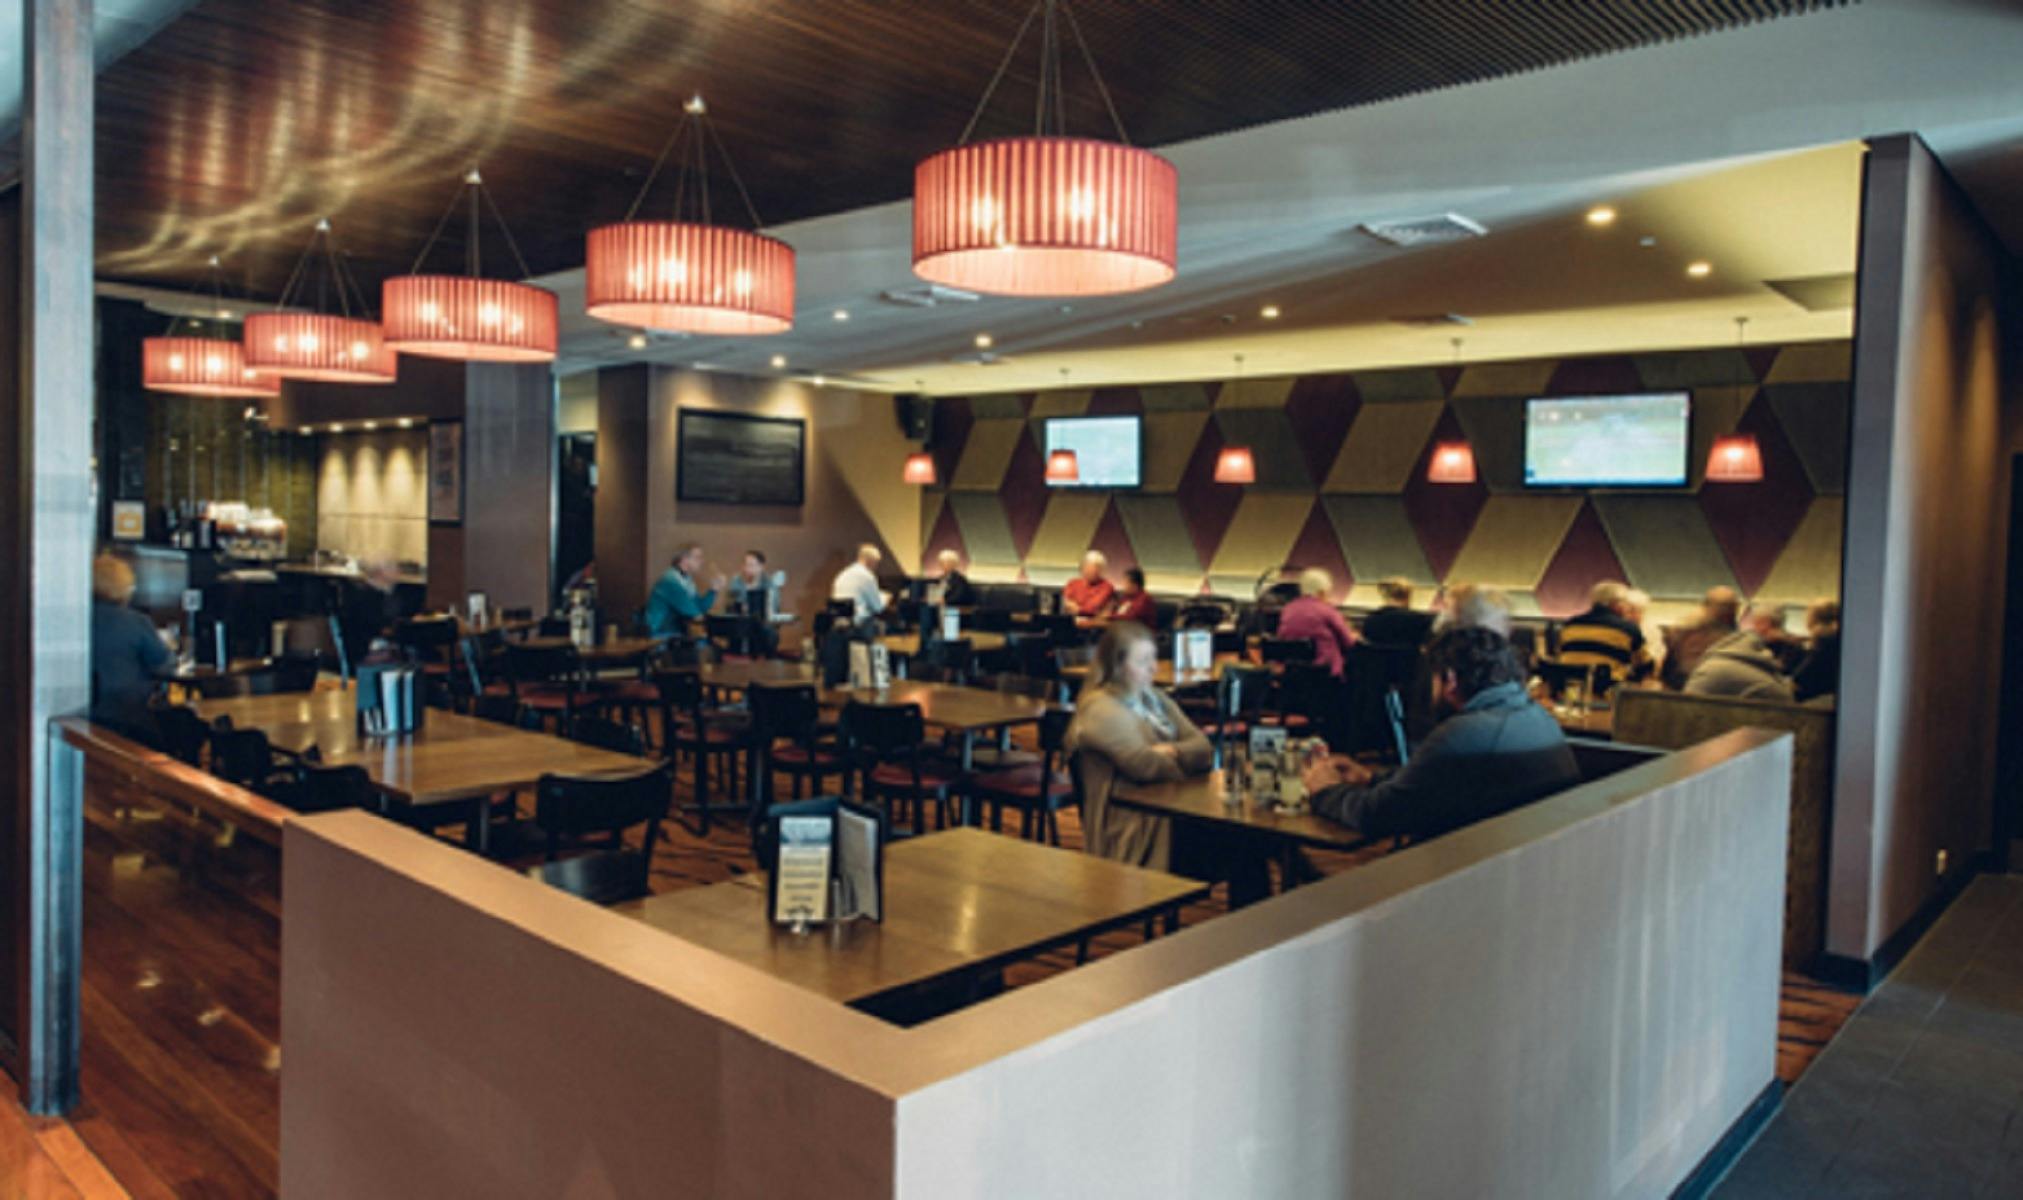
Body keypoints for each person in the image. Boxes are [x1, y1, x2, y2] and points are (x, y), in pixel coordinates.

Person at [1301, 627, 1581, 842]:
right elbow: (1440, 781)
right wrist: (1371, 778)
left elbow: (1378, 816)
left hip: (1466, 877)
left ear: (1449, 679)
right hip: (1518, 857)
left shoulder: (1465, 734)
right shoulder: (1536, 717)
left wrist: (1326, 791)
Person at [1065, 621, 1214, 870]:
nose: (1154, 668)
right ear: (1118, 666)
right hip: (1135, 827)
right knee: (1248, 846)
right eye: (1143, 661)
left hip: (1173, 811)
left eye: (1153, 658)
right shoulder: (1100, 708)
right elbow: (1145, 765)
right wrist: (1184, 766)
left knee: (1252, 843)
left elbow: (1204, 748)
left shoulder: (1155, 698)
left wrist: (1173, 750)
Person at [91, 552, 174, 742]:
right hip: (128, 716)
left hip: (84, 714)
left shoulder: (78, 619)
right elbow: (164, 664)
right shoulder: (136, 622)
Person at [1685, 602, 1796, 702]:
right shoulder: (1791, 645)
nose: (1754, 627)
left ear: (1765, 623)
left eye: (1757, 622)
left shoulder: (1715, 667)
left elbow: (1687, 707)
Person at [1557, 580, 1650, 686]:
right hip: (1608, 691)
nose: (1626, 608)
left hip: (1570, 687)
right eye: (1625, 604)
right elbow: (1645, 664)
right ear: (1616, 604)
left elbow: (1560, 654)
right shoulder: (1627, 629)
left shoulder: (1569, 625)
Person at [1276, 568, 1357, 678]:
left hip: (1294, 675)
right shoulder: (1327, 610)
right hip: (1326, 675)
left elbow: (1282, 638)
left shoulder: (1288, 609)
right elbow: (1349, 643)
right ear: (1322, 592)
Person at [1661, 586, 1740, 691]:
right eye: (1723, 606)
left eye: (1728, 607)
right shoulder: (1687, 629)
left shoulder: (1684, 628)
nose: (1725, 611)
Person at [646, 543, 722, 638]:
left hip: (674, 633)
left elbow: (700, 608)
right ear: (684, 560)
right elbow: (694, 614)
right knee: (707, 645)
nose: (702, 561)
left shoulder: (686, 580)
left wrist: (714, 589)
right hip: (660, 635)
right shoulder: (670, 581)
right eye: (697, 558)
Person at [726, 550, 781, 656]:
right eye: (745, 565)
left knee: (769, 633)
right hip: (740, 623)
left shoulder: (769, 584)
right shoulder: (736, 582)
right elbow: (730, 605)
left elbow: (773, 608)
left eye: (751, 565)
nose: (747, 569)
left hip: (763, 623)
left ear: (761, 567)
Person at [1360, 576, 1434, 647]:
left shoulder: (1371, 620)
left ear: (1385, 597)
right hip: (1407, 659)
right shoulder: (1419, 620)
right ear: (1407, 596)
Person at [1791, 598, 1840, 702]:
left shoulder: (1823, 637)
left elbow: (1801, 677)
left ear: (1812, 618)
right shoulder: (1835, 637)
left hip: (1815, 700)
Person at [831, 543, 887, 626]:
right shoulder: (867, 577)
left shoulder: (842, 574)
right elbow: (877, 608)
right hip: (859, 623)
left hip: (839, 623)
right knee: (883, 624)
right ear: (870, 561)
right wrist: (885, 598)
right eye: (876, 563)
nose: (876, 567)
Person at [1062, 550, 1116, 618]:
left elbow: (1091, 609)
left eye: (1094, 570)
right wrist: (1081, 609)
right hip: (1070, 621)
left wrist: (1078, 609)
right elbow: (1066, 605)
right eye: (1087, 569)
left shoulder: (1107, 587)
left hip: (1093, 625)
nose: (1089, 572)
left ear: (1100, 571)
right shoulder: (1072, 583)